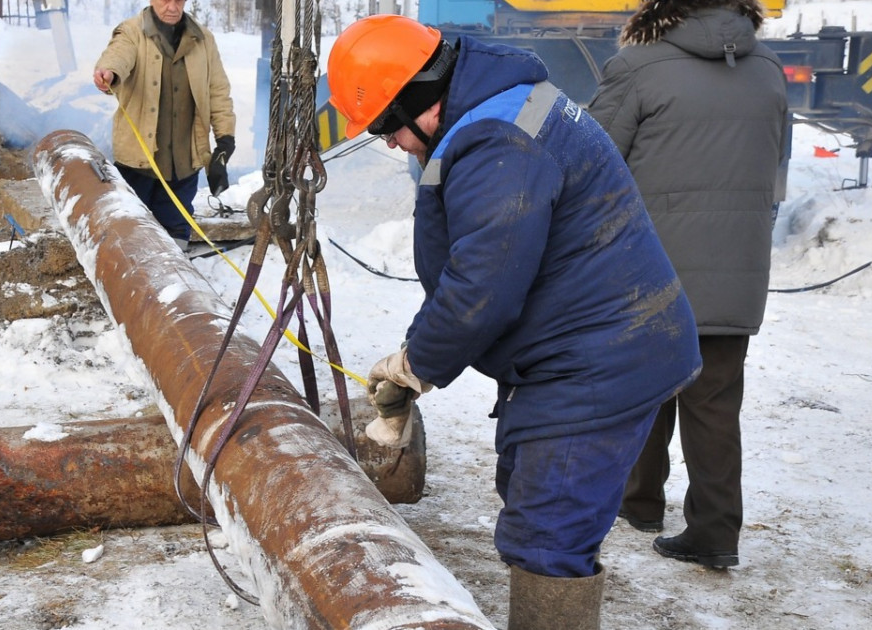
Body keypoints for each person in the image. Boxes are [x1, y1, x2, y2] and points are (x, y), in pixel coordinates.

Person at [327, 14, 702, 628]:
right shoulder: (495, 105)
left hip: (597, 359)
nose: (391, 143)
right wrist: (419, 354)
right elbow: (481, 262)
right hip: (586, 346)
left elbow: (483, 288)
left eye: (387, 128)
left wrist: (415, 366)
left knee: (548, 536)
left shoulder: (497, 138)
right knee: (527, 492)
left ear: (417, 98)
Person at [588, 0, 787, 569]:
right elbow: (770, 162)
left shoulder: (637, 66)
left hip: (650, 268)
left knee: (644, 383)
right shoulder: (768, 68)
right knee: (716, 401)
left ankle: (640, 500)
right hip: (737, 266)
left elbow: (595, 157)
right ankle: (715, 531)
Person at [92, 0, 236, 251]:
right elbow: (118, 56)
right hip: (138, 164)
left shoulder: (203, 40)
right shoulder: (131, 32)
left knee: (176, 234)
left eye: (178, 0)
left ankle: (174, 281)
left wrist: (225, 140)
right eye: (165, 0)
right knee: (130, 235)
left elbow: (218, 92)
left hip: (184, 164)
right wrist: (109, 73)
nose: (172, 7)